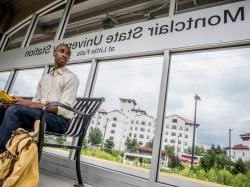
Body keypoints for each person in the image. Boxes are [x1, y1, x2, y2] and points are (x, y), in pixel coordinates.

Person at [0, 43, 79, 154]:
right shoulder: (45, 79)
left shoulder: (71, 78)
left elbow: (64, 109)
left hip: (59, 122)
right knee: (4, 108)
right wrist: (17, 102)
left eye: (68, 54)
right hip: (41, 115)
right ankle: (9, 153)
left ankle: (2, 155)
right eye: (61, 51)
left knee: (14, 110)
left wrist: (28, 104)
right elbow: (35, 102)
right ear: (54, 53)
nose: (64, 55)